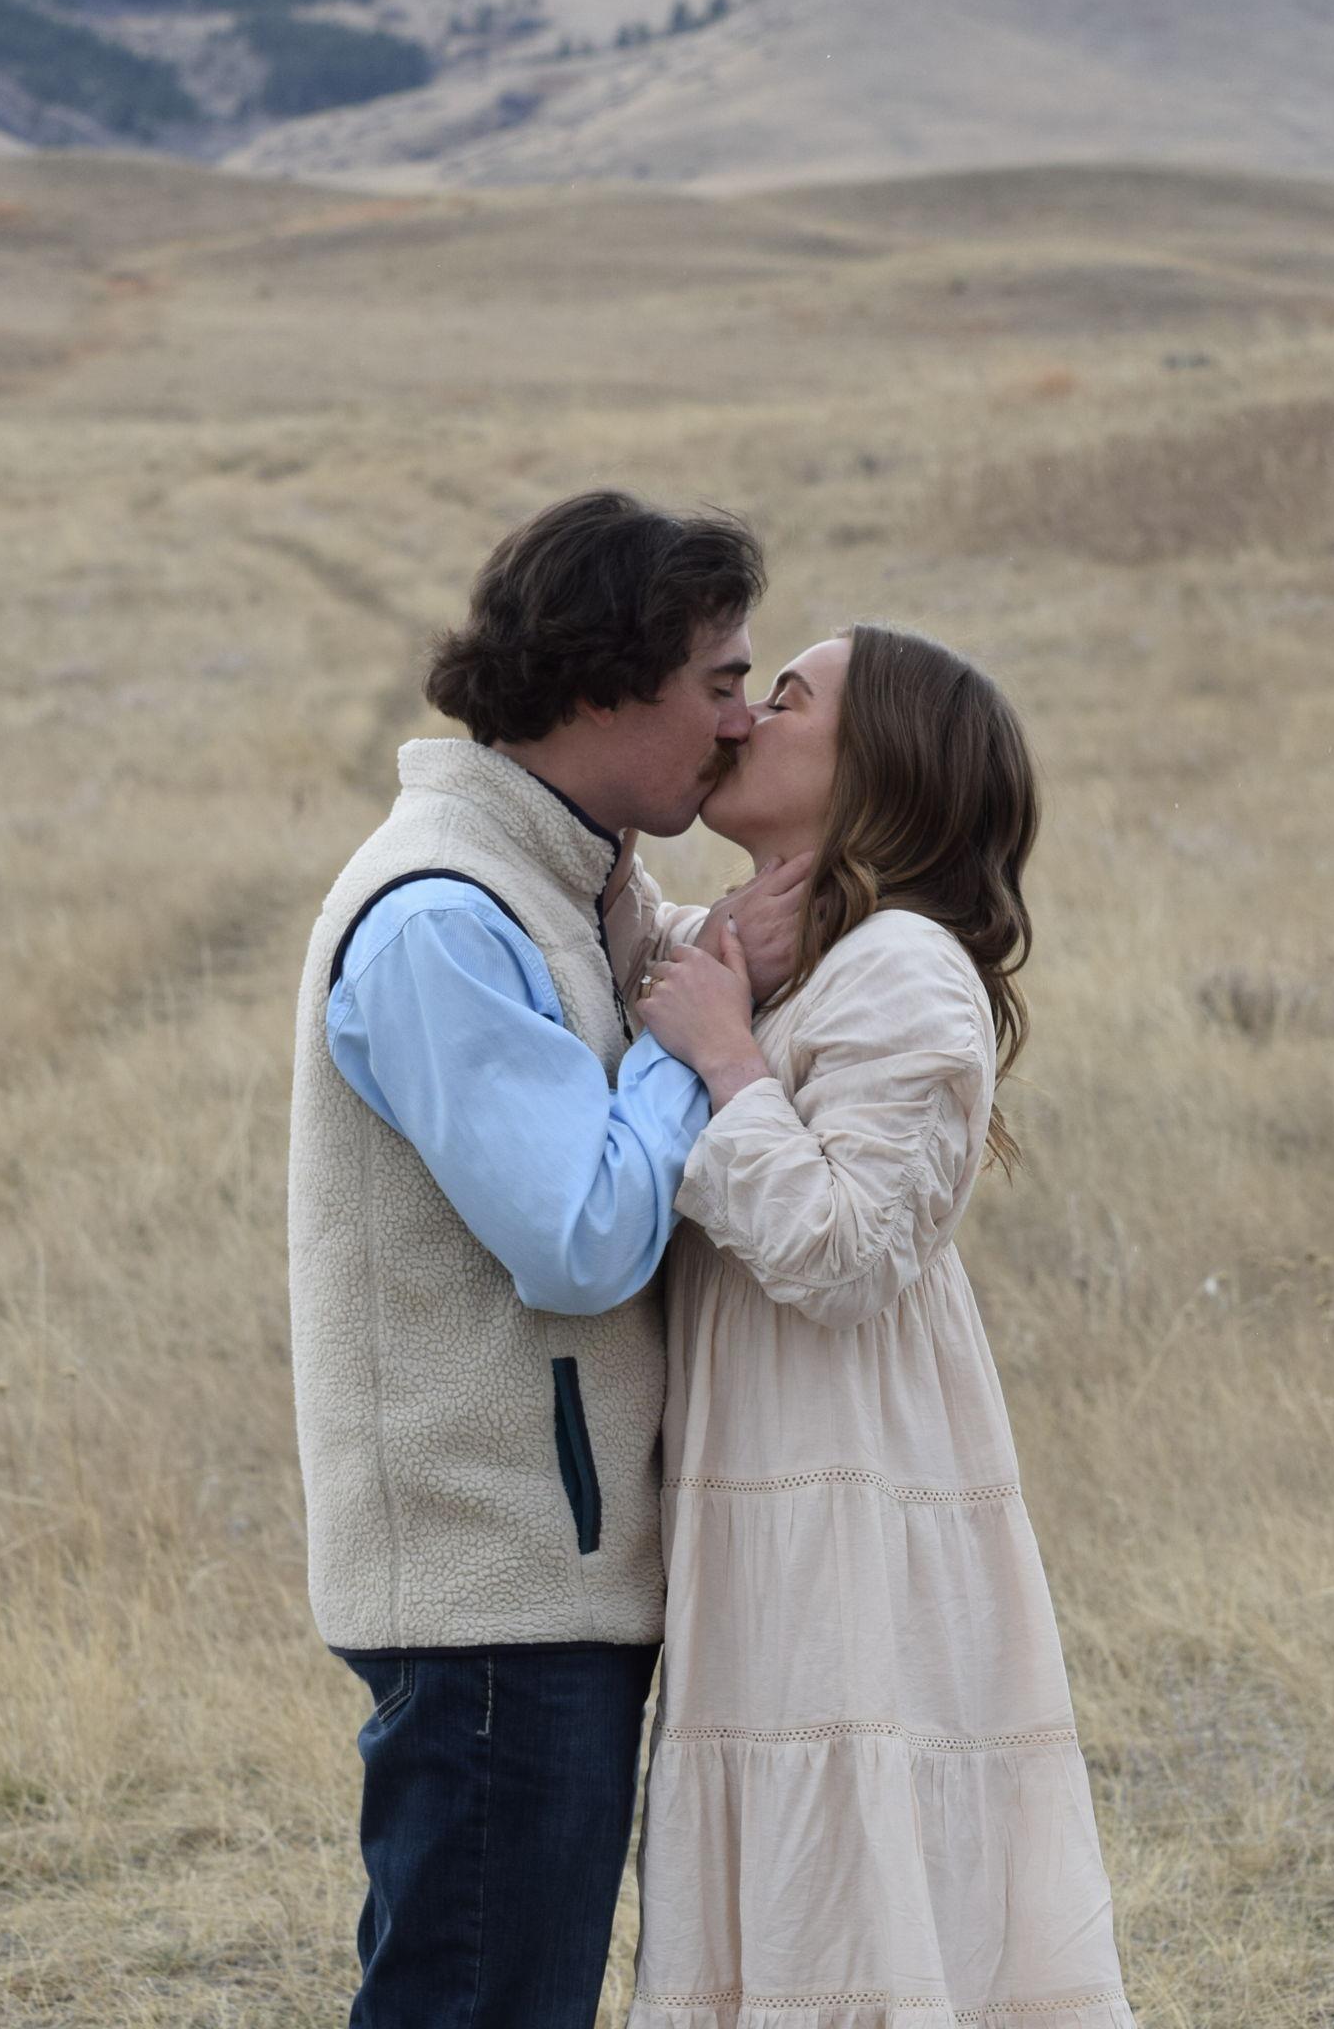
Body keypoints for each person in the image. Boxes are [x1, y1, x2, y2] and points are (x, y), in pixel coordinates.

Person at [287, 489, 809, 2028]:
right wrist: (696, 1039)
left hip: (541, 1585)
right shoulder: (443, 918)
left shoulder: (564, 882)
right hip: (496, 1593)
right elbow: (580, 1239)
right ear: (601, 684)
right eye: (721, 681)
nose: (739, 722)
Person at [614, 625, 1136, 2027]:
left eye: (785, 700)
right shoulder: (792, 950)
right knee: (798, 1865)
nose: (742, 720)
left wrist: (726, 1056)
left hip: (849, 1492)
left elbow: (843, 1255)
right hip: (776, 1483)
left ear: (878, 769)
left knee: (854, 1860)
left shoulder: (906, 965)